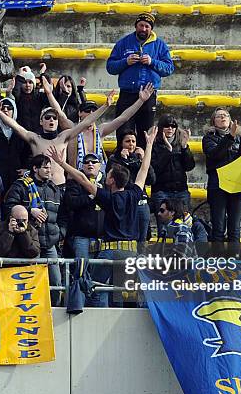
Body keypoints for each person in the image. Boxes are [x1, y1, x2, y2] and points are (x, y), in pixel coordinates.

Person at [48, 126, 158, 307]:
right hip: (130, 251)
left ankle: (98, 321)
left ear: (112, 180)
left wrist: (61, 163)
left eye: (108, 175)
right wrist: (150, 144)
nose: (105, 176)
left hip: (110, 250)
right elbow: (143, 171)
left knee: (96, 288)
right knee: (123, 291)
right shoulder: (135, 194)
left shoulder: (108, 197)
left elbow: (82, 180)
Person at [0, 91, 110, 186]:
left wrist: (105, 106)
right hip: (40, 187)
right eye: (48, 117)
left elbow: (87, 122)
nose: (51, 120)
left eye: (54, 118)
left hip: (60, 186)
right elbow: (16, 126)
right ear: (41, 121)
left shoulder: (64, 136)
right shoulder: (35, 138)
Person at [49, 76, 154, 171]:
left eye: (93, 110)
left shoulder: (101, 130)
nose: (91, 113)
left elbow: (124, 118)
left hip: (98, 177)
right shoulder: (73, 129)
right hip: (76, 178)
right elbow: (60, 114)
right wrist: (49, 93)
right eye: (87, 110)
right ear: (79, 113)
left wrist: (141, 101)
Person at [106, 12, 174, 148]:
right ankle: (123, 162)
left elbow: (169, 68)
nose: (143, 29)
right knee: (123, 131)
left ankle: (144, 164)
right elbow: (110, 67)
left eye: (147, 26)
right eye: (141, 25)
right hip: (127, 94)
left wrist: (152, 61)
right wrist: (125, 61)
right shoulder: (123, 43)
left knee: (145, 134)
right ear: (136, 26)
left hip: (148, 95)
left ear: (151, 28)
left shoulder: (160, 45)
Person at [4, 154, 64, 305]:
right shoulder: (20, 185)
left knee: (56, 283)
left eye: (50, 167)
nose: (48, 170)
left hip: (50, 243)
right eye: (45, 167)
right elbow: (8, 207)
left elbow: (63, 214)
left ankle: (54, 311)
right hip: (28, 243)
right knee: (31, 282)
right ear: (35, 168)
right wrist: (30, 210)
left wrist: (60, 233)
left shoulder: (54, 189)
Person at [202, 108, 241, 246]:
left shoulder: (239, 137)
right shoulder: (209, 138)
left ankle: (234, 262)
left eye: (225, 115)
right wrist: (229, 137)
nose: (223, 117)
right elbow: (215, 155)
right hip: (217, 185)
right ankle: (217, 262)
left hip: (236, 185)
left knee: (234, 229)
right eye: (219, 116)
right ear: (214, 121)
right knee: (218, 228)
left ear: (230, 120)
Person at [105, 129, 156, 249]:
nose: (131, 144)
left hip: (141, 205)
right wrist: (124, 161)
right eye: (128, 141)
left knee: (142, 242)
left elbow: (151, 179)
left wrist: (142, 159)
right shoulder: (114, 159)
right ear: (121, 143)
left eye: (133, 141)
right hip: (125, 204)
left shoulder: (139, 159)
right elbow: (120, 180)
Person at [150, 113, 195, 230]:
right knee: (163, 229)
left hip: (181, 190)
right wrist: (168, 152)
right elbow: (155, 169)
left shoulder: (181, 144)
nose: (170, 128)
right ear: (161, 128)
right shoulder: (153, 144)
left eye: (173, 126)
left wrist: (185, 148)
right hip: (161, 191)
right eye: (166, 126)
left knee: (184, 227)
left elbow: (189, 166)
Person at [62, 152, 105, 258]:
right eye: (86, 162)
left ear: (100, 165)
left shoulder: (107, 183)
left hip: (103, 238)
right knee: (81, 271)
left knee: (98, 272)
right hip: (81, 237)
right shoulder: (74, 182)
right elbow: (71, 202)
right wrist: (91, 196)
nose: (90, 164)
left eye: (94, 162)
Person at [12, 65, 48, 133]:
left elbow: (49, 91)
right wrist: (20, 76)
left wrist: (42, 74)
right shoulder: (18, 97)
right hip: (21, 133)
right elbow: (15, 91)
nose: (27, 85)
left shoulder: (39, 96)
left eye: (30, 82)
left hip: (37, 133)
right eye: (24, 82)